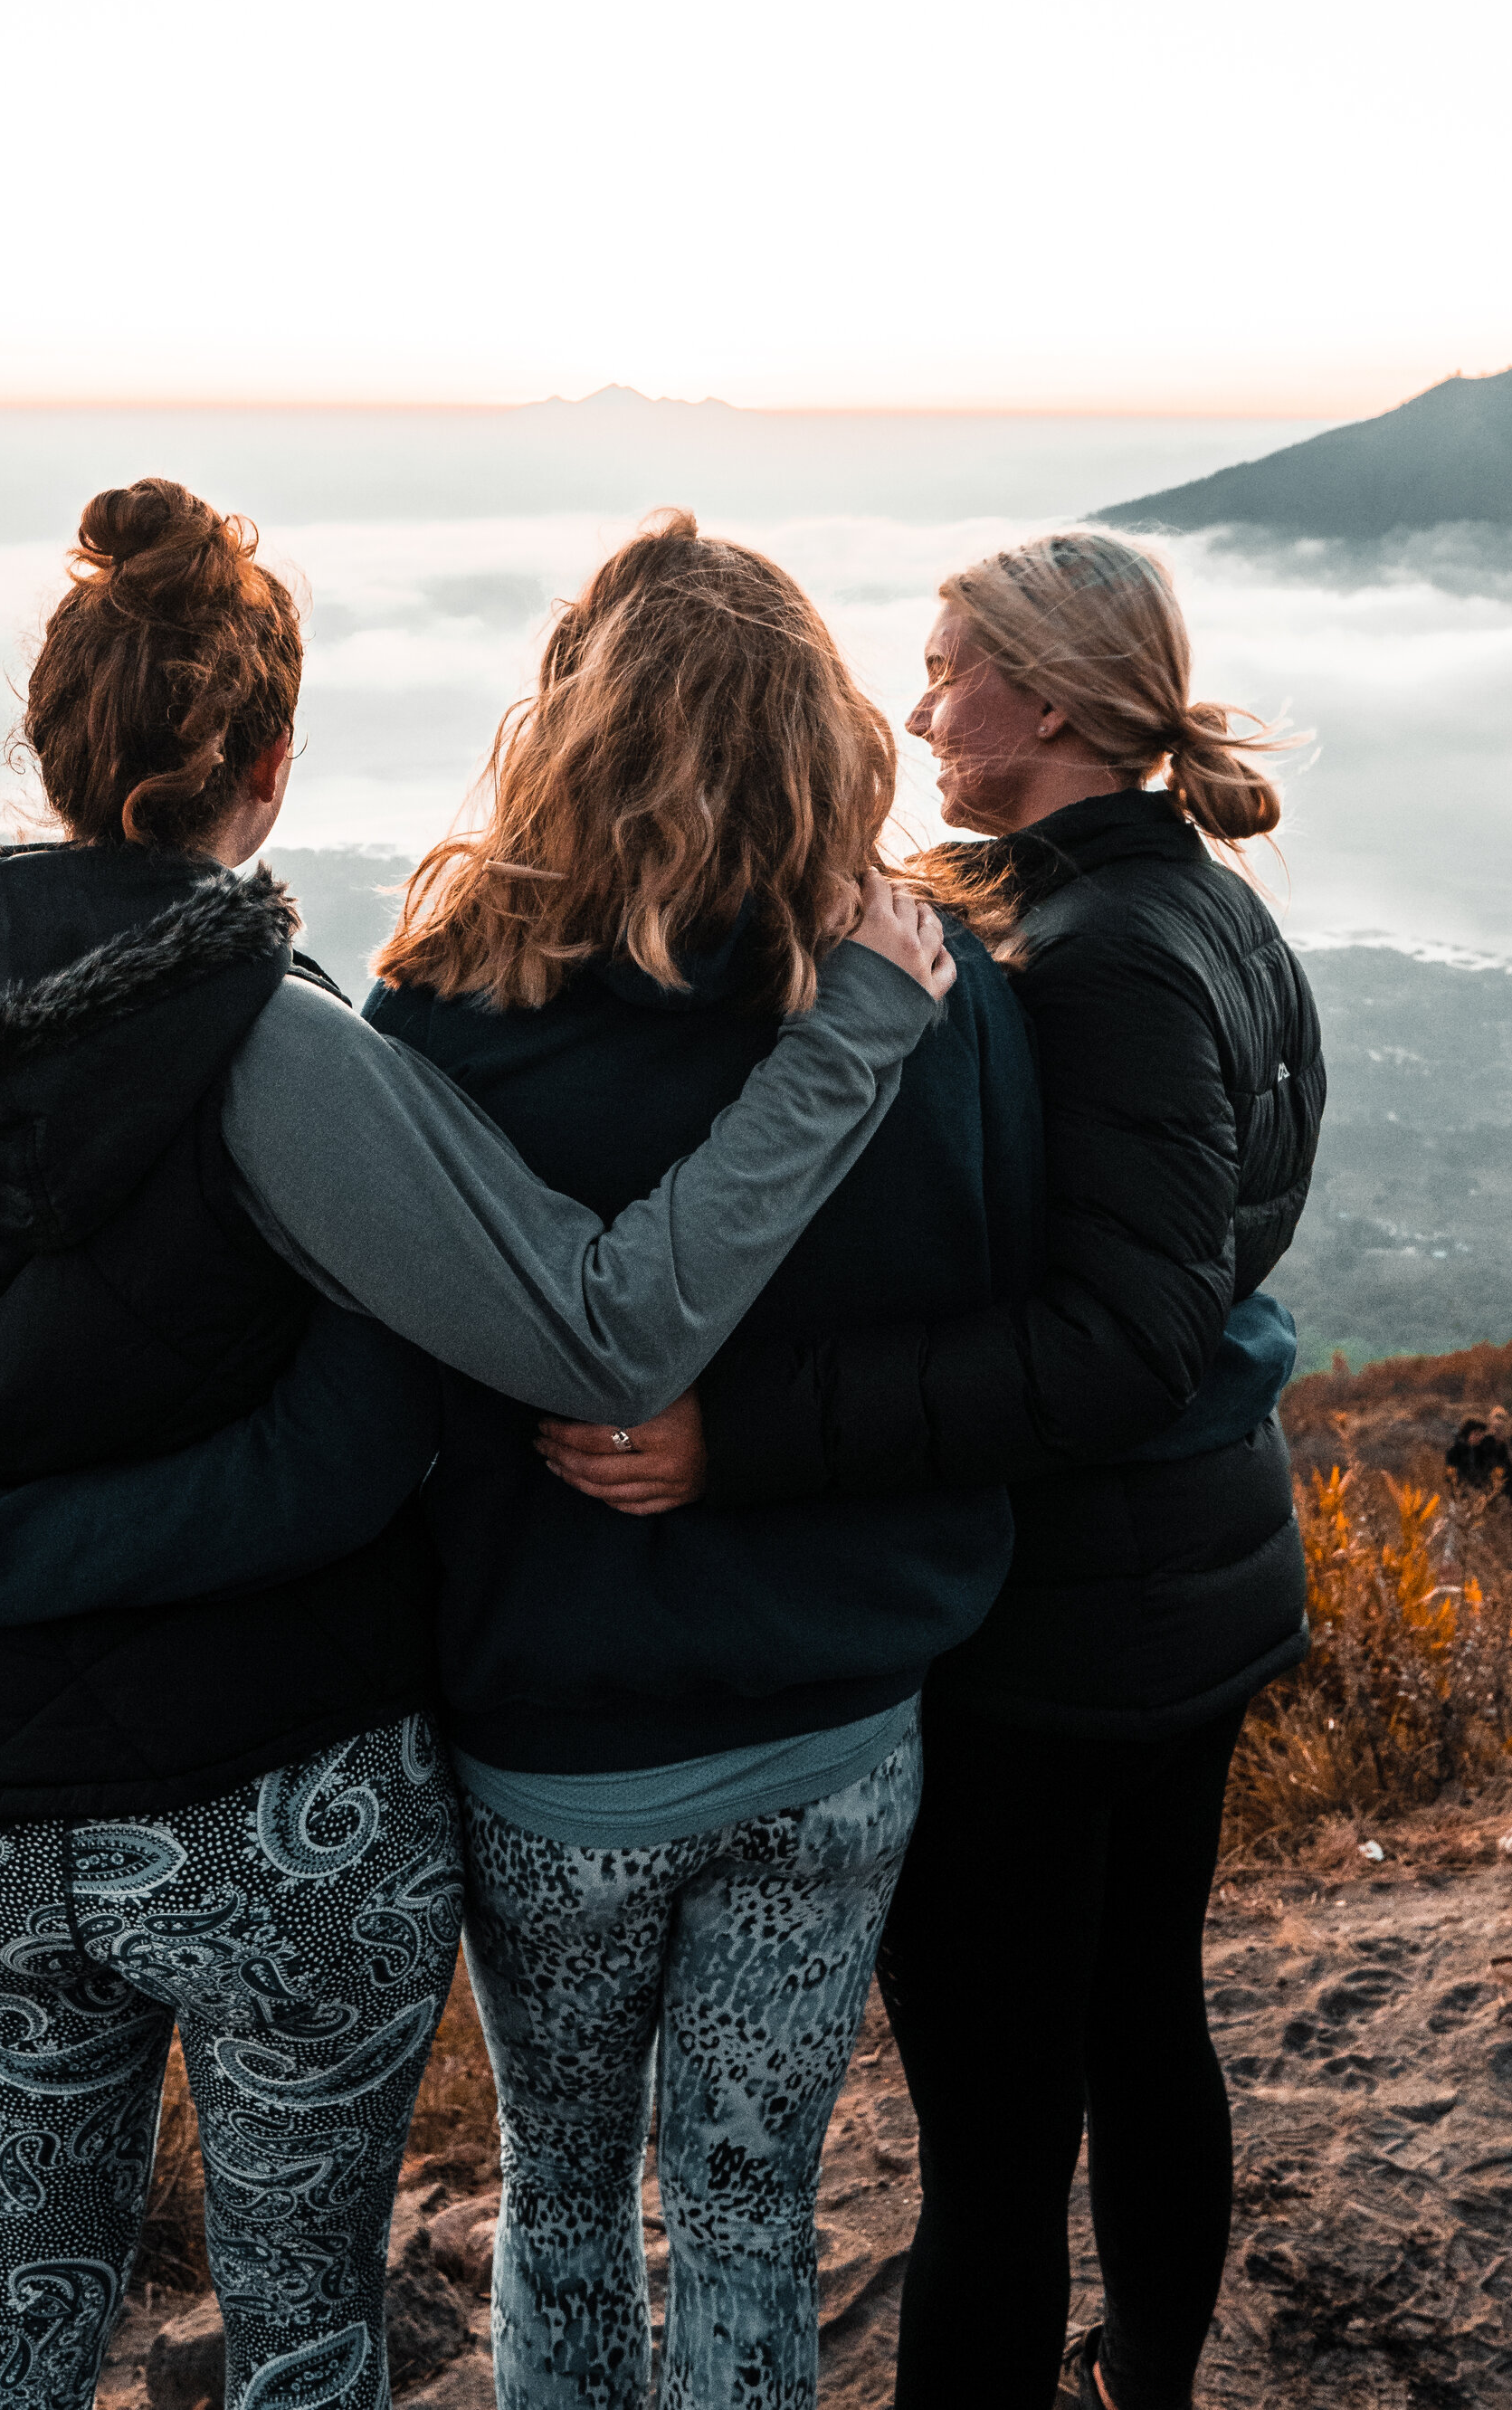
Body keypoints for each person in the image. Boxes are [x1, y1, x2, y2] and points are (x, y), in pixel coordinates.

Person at [0, 510, 1042, 2410]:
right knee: (742, 2210)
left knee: (548, 2193)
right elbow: (970, 1330)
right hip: (820, 1723)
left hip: (547, 1739)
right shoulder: (927, 987)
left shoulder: (431, 1012)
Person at [543, 527, 1324, 2410]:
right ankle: (1149, 2377)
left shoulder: (1099, 958)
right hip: (1191, 1581)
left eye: (945, 666)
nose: (913, 705)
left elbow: (1116, 1339)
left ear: (1042, 701)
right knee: (1142, 2018)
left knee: (994, 2126)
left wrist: (745, 1436)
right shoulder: (1201, 908)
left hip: (1071, 1627)